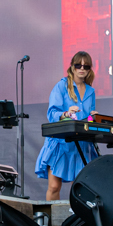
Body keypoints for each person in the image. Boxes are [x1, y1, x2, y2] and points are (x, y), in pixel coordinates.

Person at [34, 51, 98, 202]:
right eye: (78, 65)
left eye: (86, 66)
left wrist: (93, 118)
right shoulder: (61, 86)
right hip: (61, 143)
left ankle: (77, 216)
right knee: (54, 186)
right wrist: (66, 114)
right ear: (72, 67)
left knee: (81, 189)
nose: (82, 69)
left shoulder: (91, 91)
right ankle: (50, 217)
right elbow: (52, 114)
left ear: (89, 69)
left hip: (81, 144)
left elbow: (87, 120)